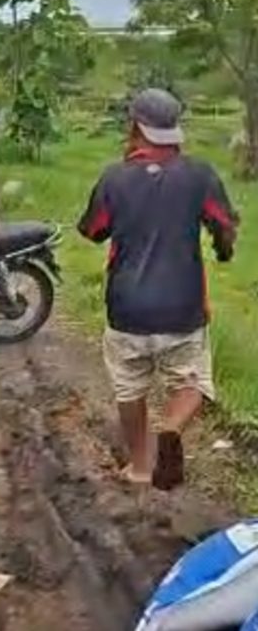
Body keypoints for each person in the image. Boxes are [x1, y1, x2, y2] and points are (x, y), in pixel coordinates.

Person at [78, 88, 238, 491]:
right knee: (194, 384)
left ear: (135, 126)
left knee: (129, 388)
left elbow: (93, 230)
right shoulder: (200, 175)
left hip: (126, 309)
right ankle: (170, 428)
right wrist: (223, 251)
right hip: (182, 308)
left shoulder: (114, 178)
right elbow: (224, 225)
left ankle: (139, 466)